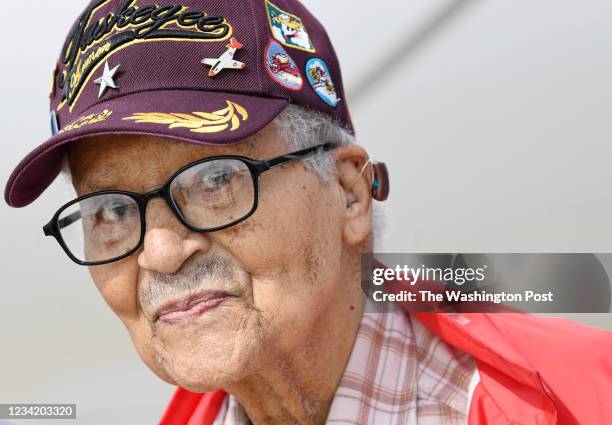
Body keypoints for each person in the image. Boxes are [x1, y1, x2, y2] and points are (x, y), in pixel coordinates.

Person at [5, 1, 611, 424]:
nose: (160, 252)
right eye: (110, 211)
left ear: (349, 194)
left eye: (216, 179)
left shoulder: (586, 401)